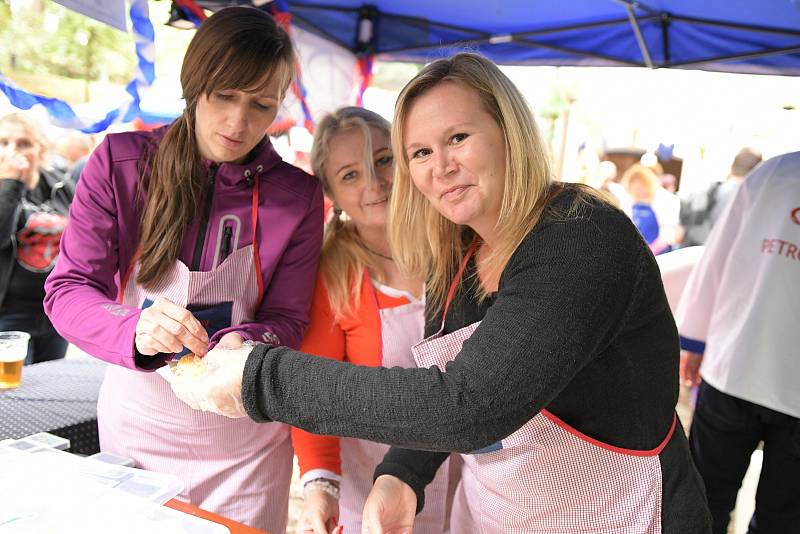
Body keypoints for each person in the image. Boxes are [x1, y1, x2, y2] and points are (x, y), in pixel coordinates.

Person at [189, 52, 711, 533]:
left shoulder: (582, 240)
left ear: (509, 131)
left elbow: (469, 405)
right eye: (419, 151)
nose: (440, 166)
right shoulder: (456, 250)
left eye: (458, 137)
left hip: (617, 515)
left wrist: (259, 376)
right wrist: (402, 475)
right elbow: (438, 385)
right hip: (493, 512)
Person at [43, 7, 323, 532]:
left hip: (245, 439)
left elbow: (288, 315)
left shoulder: (298, 195)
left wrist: (246, 338)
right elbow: (69, 290)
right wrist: (134, 329)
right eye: (224, 96)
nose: (238, 123)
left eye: (260, 104)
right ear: (194, 84)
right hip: (141, 424)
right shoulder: (121, 164)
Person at [293, 107, 455, 534]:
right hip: (373, 492)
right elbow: (314, 397)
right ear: (331, 193)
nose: (375, 184)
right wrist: (318, 491)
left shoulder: (457, 242)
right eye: (350, 175)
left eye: (383, 160)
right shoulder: (331, 274)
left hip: (472, 485)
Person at [675, 151, 800, 534]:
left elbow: (717, 257)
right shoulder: (773, 172)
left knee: (704, 500)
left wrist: (694, 341)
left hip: (736, 363)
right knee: (784, 518)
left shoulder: (776, 172)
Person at [0, 112, 73, 364]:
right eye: (4, 142)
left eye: (23, 143)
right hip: (8, 313)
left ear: (40, 149)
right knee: (12, 393)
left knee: (47, 387)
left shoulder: (60, 185)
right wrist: (11, 182)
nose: (13, 151)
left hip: (54, 308)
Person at [679, 147, 762, 247]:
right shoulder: (751, 201)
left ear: (732, 167)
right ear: (757, 172)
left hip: (691, 254)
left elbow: (679, 234)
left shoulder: (704, 190)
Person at [623, 163, 671, 254]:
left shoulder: (661, 201)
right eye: (634, 183)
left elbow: (667, 234)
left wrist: (651, 251)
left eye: (641, 184)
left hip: (658, 254)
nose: (637, 188)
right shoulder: (627, 204)